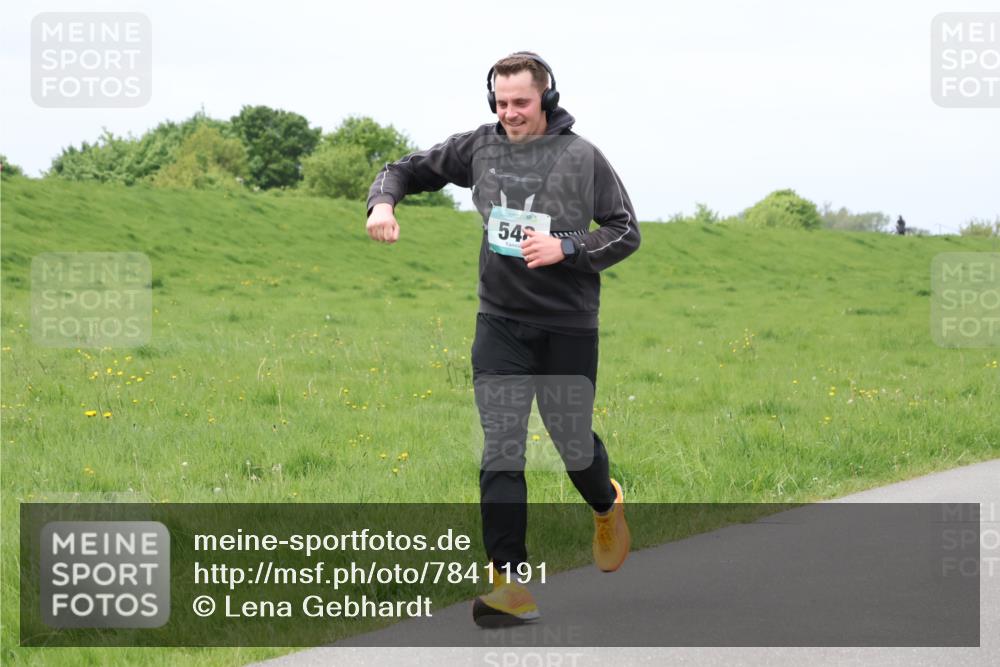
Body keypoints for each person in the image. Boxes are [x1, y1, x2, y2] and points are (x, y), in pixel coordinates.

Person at [365, 51, 639, 628]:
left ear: (546, 99)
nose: (510, 113)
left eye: (521, 102)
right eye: (502, 102)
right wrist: (383, 202)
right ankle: (509, 584)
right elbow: (406, 168)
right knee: (501, 446)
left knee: (571, 444)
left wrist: (566, 248)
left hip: (566, 325)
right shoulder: (479, 147)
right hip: (500, 324)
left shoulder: (582, 156)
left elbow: (625, 231)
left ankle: (605, 500)